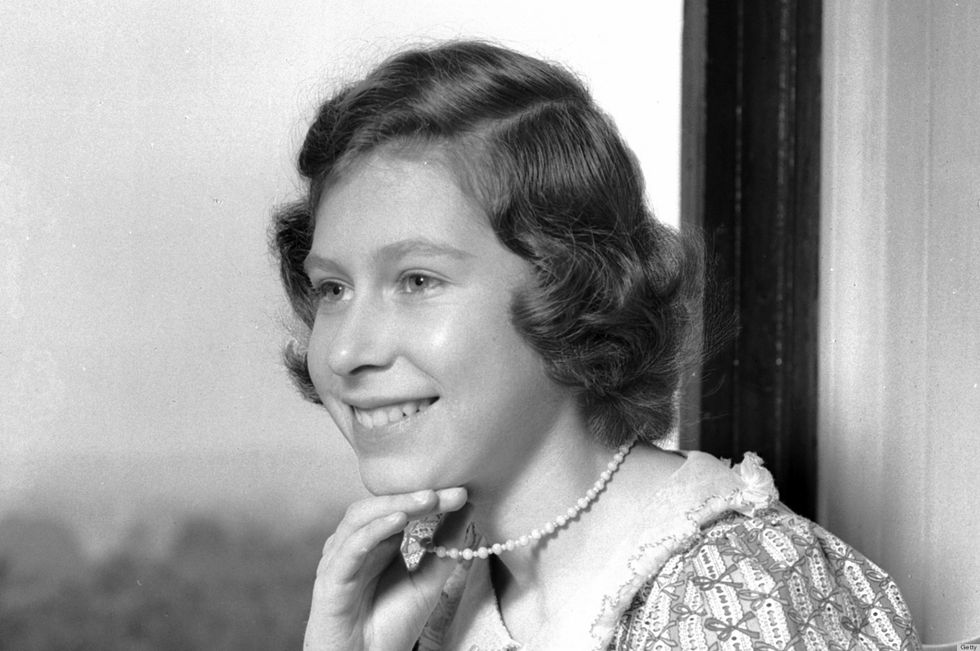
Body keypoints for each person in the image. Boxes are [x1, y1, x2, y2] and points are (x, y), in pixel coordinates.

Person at [271, 41, 921, 650]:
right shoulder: (444, 596)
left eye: (416, 280)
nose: (345, 351)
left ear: (573, 286)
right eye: (332, 288)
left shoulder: (740, 596)